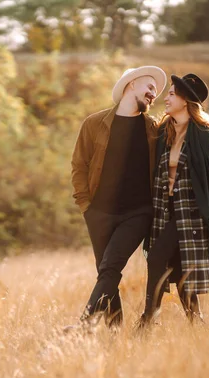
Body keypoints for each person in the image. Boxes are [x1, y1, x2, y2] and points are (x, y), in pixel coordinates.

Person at [70, 66, 167, 328]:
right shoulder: (94, 124)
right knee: (106, 273)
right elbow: (79, 165)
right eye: (149, 88)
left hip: (137, 213)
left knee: (111, 267)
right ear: (131, 84)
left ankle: (85, 325)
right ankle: (115, 332)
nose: (153, 95)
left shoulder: (154, 129)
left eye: (155, 92)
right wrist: (86, 207)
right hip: (98, 213)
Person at [138, 73, 209, 326]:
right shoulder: (163, 131)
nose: (166, 98)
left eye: (171, 93)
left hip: (192, 216)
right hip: (164, 212)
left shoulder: (206, 134)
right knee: (180, 271)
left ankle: (148, 319)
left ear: (185, 100)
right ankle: (197, 324)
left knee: (157, 257)